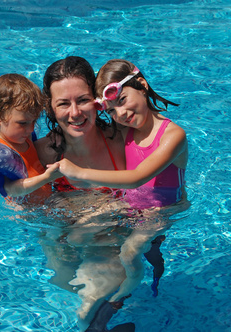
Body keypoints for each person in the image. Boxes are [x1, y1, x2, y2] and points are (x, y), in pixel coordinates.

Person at [57, 59, 188, 307]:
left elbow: (138, 177)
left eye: (123, 100)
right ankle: (83, 282)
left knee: (130, 250)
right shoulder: (125, 131)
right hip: (128, 203)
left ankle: (127, 289)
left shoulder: (173, 136)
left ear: (142, 85)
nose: (121, 114)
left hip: (161, 210)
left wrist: (81, 172)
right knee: (76, 233)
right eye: (112, 111)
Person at [35, 56, 142, 332]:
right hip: (65, 235)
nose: (75, 113)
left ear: (97, 100)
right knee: (67, 288)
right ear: (50, 107)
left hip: (117, 234)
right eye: (63, 103)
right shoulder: (42, 153)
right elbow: (27, 207)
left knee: (98, 294)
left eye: (82, 100)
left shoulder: (123, 139)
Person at [0, 73, 61, 200]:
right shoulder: (0, 152)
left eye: (34, 121)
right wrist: (47, 177)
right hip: (27, 213)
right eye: (23, 123)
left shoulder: (23, 136)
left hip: (47, 200)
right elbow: (11, 190)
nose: (31, 128)